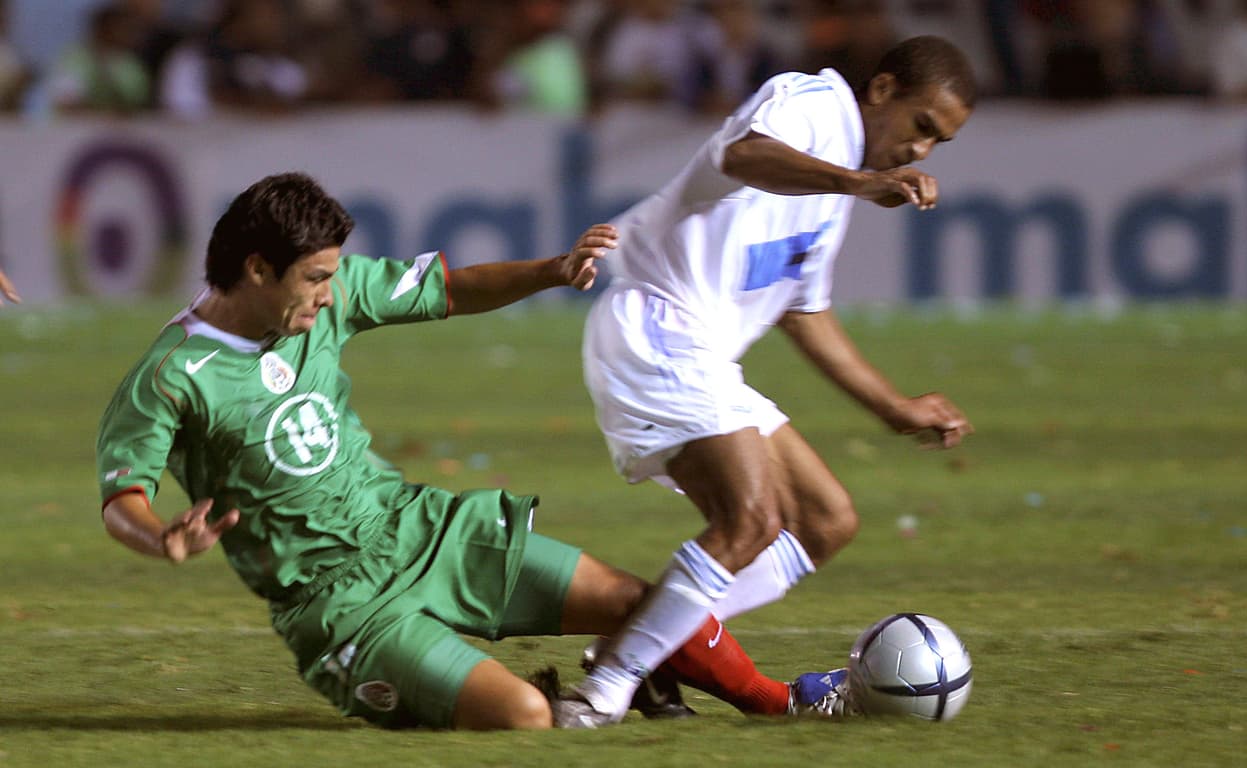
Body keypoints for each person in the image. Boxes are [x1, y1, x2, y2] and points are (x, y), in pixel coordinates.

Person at [96, 172, 839, 731]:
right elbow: (123, 494)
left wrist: (552, 270)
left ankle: (780, 704)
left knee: (639, 609)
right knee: (526, 717)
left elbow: (448, 288)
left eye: (331, 276)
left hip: (416, 530)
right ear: (258, 269)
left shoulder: (334, 296)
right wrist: (161, 536)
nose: (328, 294)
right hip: (340, 605)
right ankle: (518, 690)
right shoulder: (171, 375)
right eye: (314, 278)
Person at [560, 35, 978, 726]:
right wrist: (855, 182)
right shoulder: (812, 103)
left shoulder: (835, 188)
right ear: (882, 91)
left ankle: (646, 644)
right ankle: (604, 691)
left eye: (940, 142)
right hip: (656, 325)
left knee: (825, 520)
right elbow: (742, 155)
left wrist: (895, 408)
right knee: (751, 520)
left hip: (700, 354)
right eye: (922, 125)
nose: (922, 150)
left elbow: (801, 311)